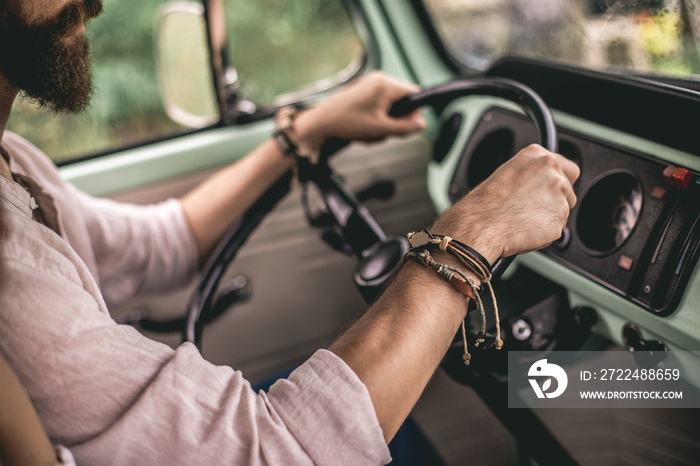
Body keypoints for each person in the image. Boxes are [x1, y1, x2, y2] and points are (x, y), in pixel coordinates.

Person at [0, 0, 579, 464]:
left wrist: (308, 130)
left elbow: (162, 243)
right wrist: (476, 233)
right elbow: (282, 451)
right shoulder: (14, 284)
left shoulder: (15, 162)